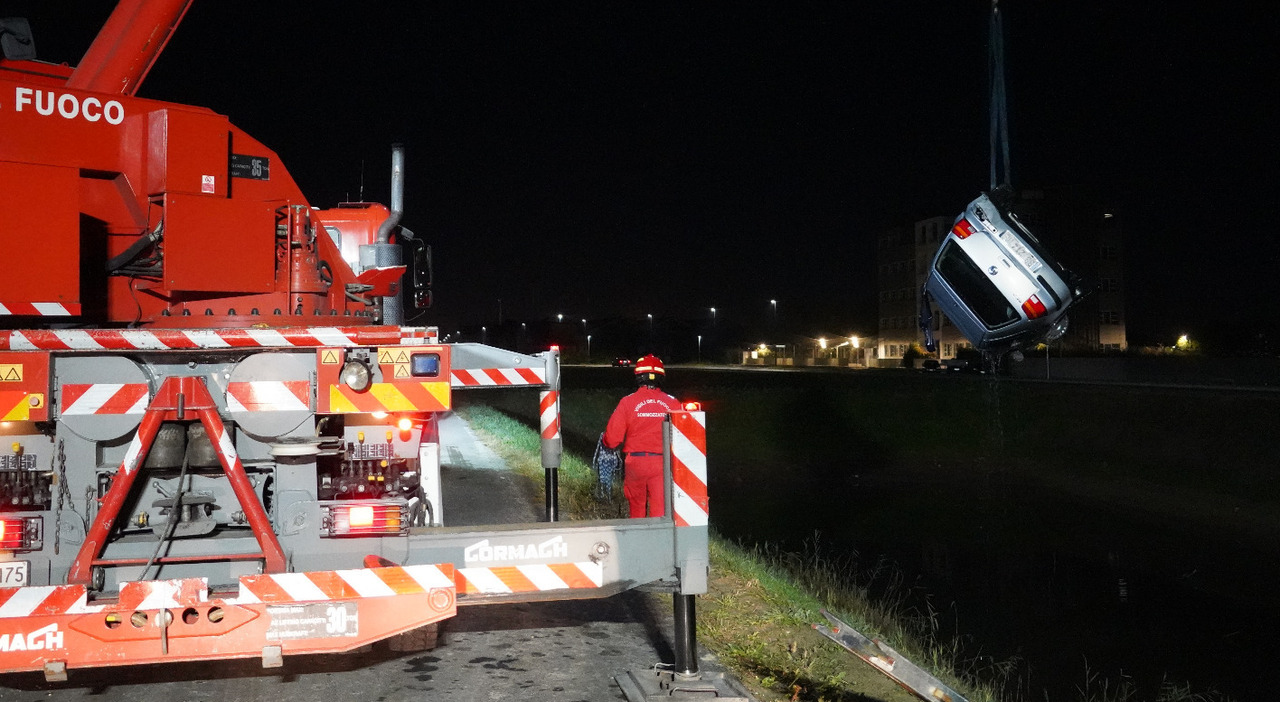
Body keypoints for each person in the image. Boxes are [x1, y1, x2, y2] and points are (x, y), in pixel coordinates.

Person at [603, 354, 679, 518]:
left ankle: (638, 540)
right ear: (661, 377)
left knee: (636, 508)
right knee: (661, 510)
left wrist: (605, 443)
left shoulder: (627, 402)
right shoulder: (673, 403)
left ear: (638, 376)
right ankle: (659, 541)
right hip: (663, 464)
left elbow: (612, 439)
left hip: (635, 463)